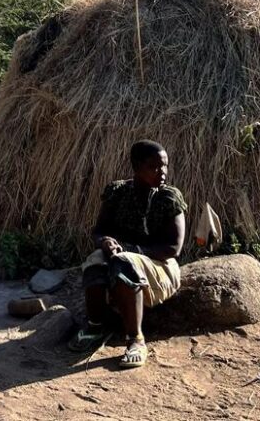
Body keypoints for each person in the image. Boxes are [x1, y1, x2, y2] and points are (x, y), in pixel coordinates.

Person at [68, 140, 187, 369]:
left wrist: (130, 251)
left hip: (159, 268)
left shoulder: (169, 198)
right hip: (121, 262)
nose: (162, 173)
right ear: (136, 167)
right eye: (154, 167)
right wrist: (105, 242)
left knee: (123, 262)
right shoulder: (117, 192)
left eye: (165, 166)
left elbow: (173, 248)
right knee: (95, 261)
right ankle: (95, 327)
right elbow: (99, 231)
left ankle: (136, 340)